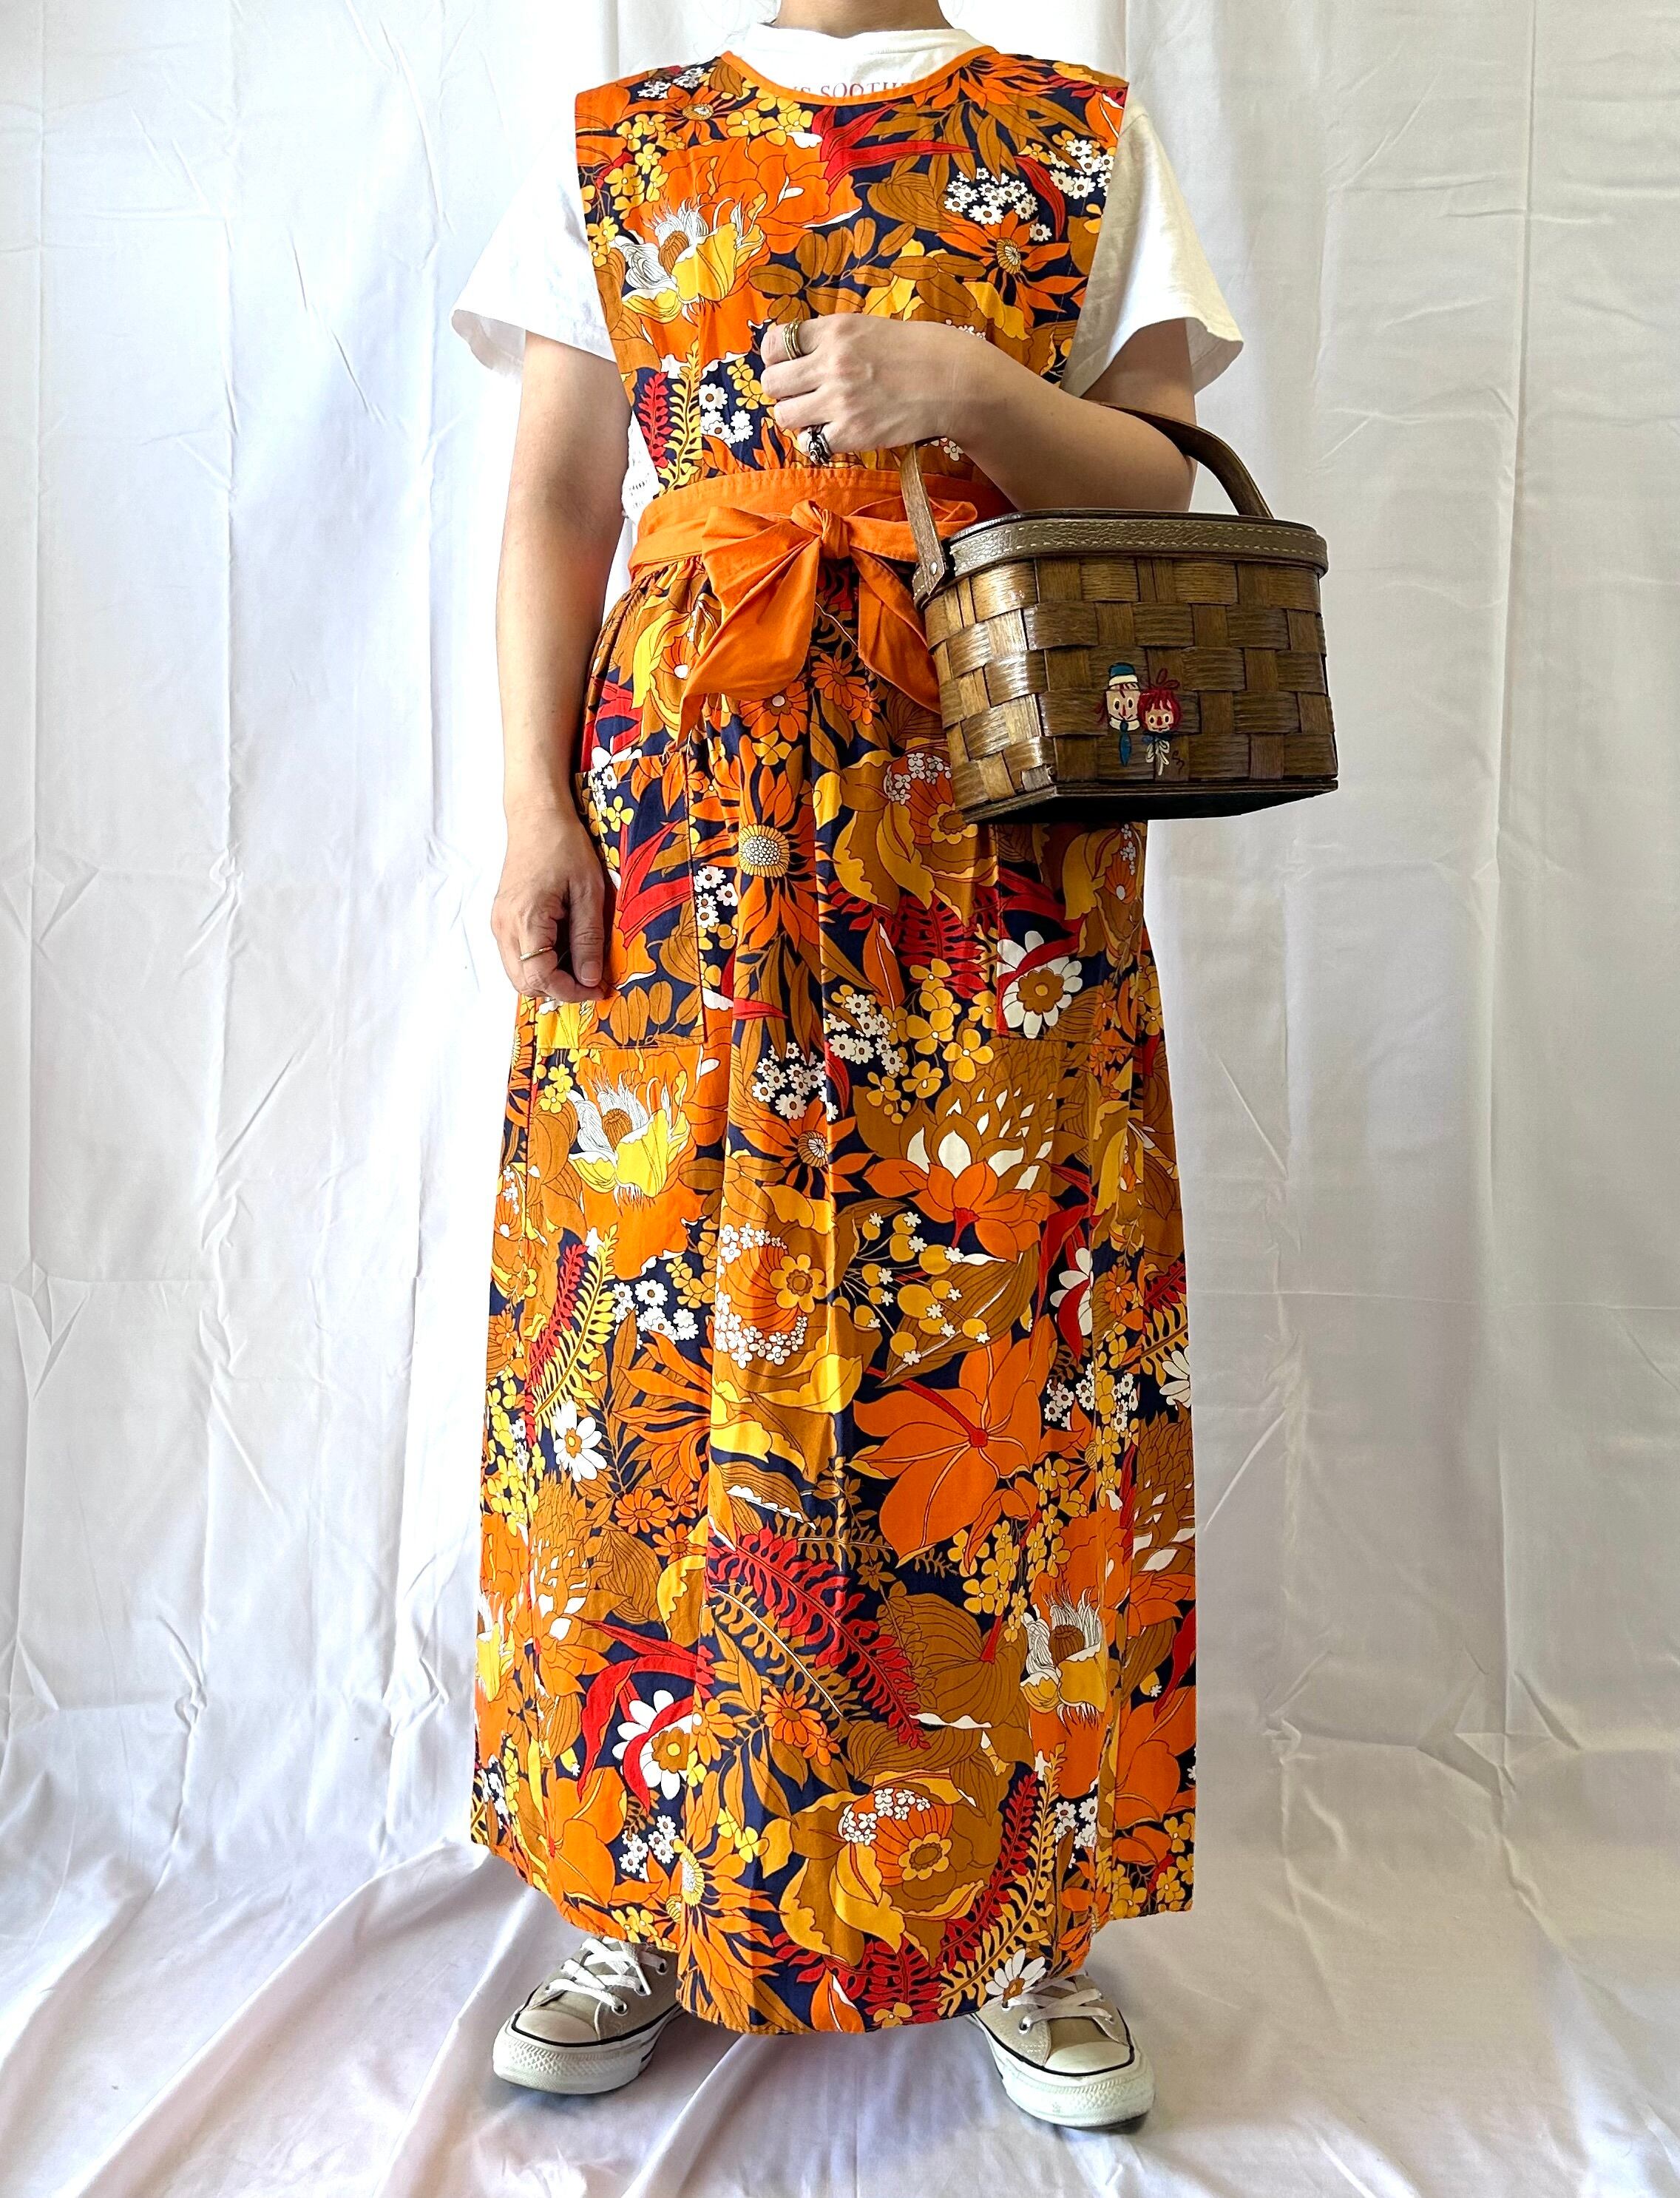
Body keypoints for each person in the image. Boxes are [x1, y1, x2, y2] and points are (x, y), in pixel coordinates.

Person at [452, 0, 1241, 2132]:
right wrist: (532, 810)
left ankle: (1026, 1906)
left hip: (991, 844)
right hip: (685, 838)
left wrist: (972, 390)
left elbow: (1159, 477)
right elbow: (560, 492)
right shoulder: (625, 145)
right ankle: (638, 1877)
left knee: (1001, 1338)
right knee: (647, 1328)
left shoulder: (1077, 137)